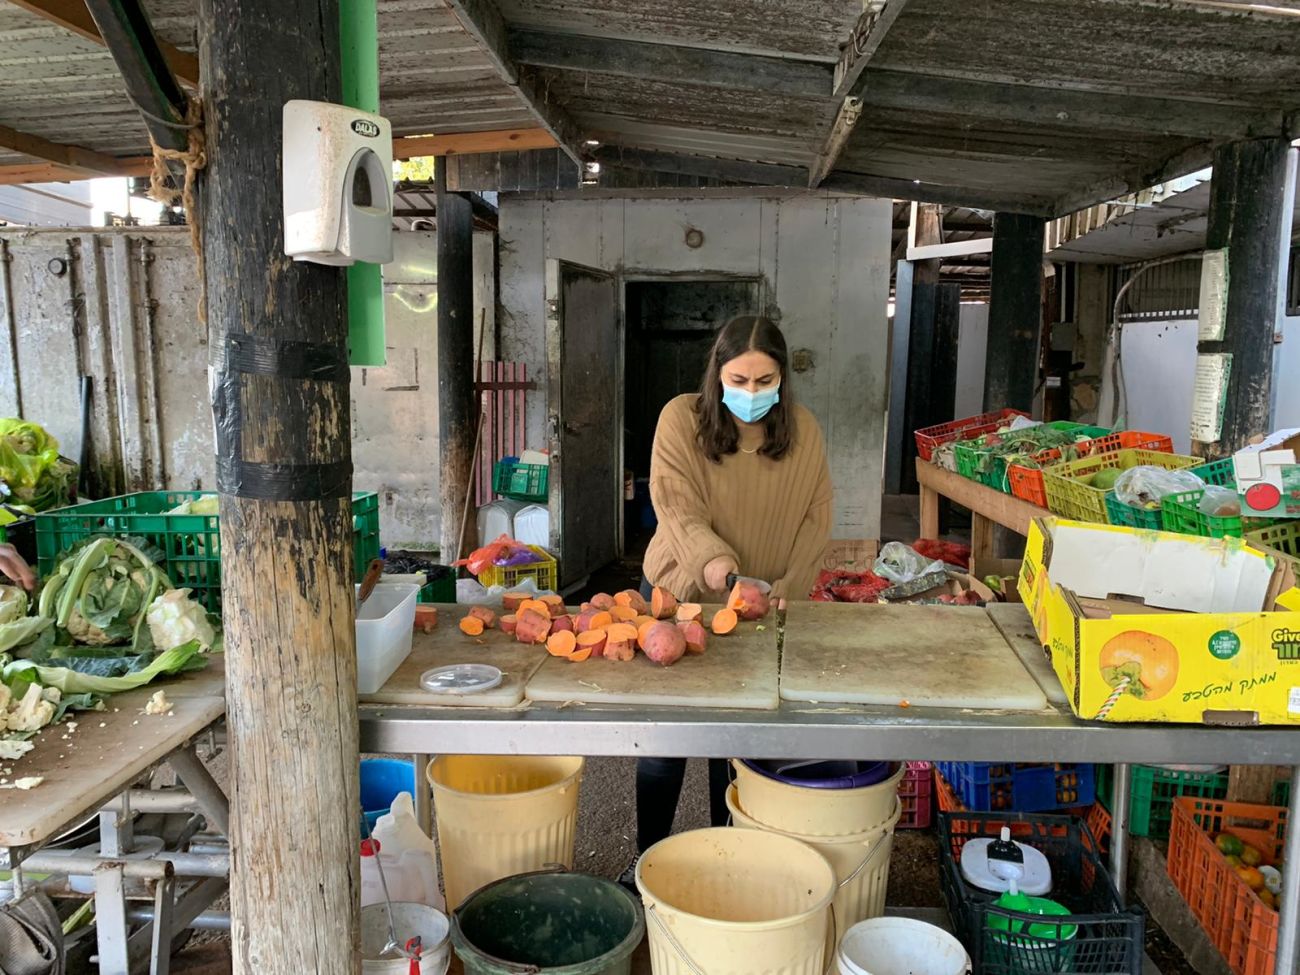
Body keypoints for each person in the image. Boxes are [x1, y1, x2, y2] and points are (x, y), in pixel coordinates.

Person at [621, 315, 832, 886]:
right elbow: (674, 504)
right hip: (678, 599)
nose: (752, 393)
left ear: (783, 378)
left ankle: (728, 868)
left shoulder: (804, 431)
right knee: (665, 742)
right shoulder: (680, 419)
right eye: (739, 380)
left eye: (765, 381)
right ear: (718, 372)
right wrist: (720, 567)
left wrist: (786, 591)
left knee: (735, 744)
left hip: (758, 608)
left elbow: (817, 519)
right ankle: (645, 867)